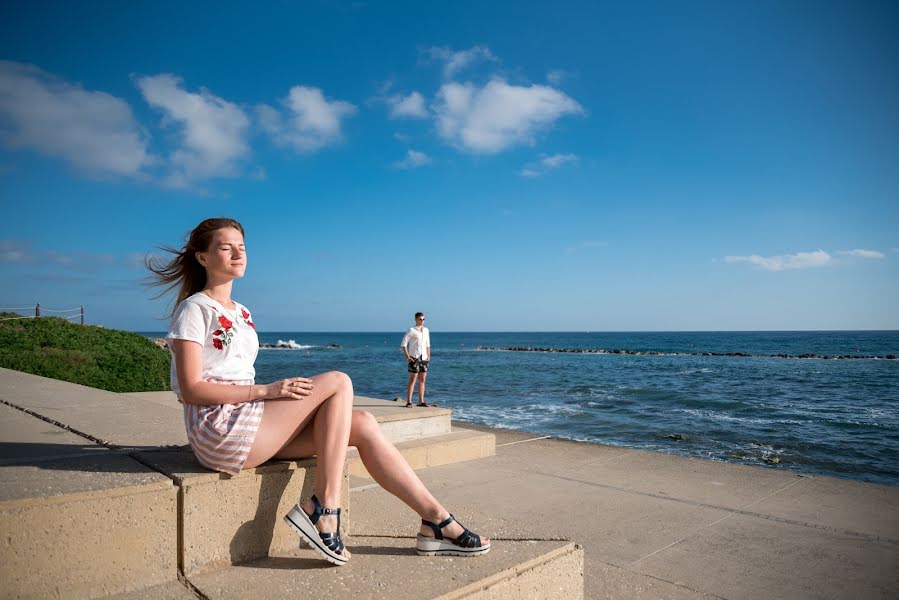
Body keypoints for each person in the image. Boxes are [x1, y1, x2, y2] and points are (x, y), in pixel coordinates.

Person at [147, 217, 489, 566]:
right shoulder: (194, 309)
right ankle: (324, 510)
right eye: (225, 247)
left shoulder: (243, 312)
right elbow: (191, 390)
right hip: (220, 429)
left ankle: (435, 520)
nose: (238, 254)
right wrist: (268, 391)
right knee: (339, 381)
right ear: (202, 257)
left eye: (242, 248)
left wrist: (268, 395)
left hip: (247, 421)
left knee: (365, 424)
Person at [401, 312, 434, 407]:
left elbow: (428, 345)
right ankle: (409, 401)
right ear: (416, 319)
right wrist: (407, 356)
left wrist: (429, 356)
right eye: (420, 319)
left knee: (422, 379)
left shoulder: (426, 330)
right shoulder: (411, 330)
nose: (422, 321)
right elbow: (403, 344)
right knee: (413, 379)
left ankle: (421, 401)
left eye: (423, 319)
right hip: (414, 357)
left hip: (424, 358)